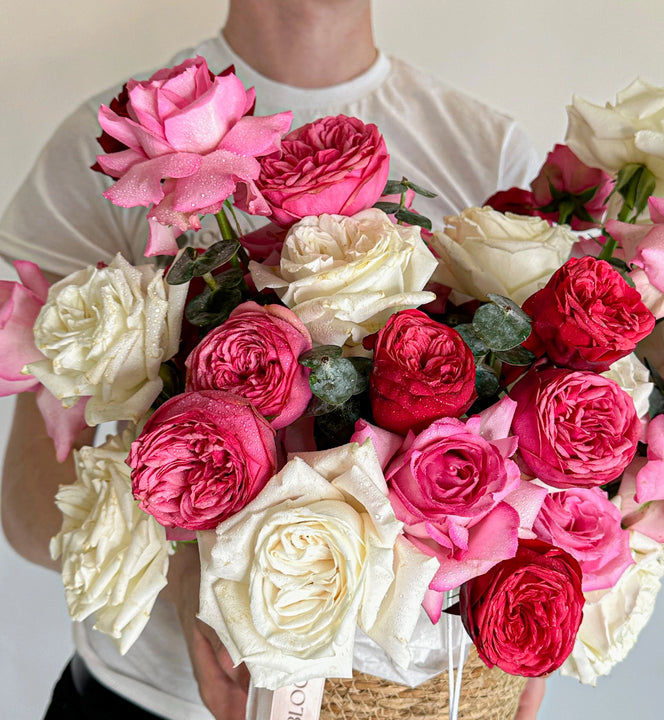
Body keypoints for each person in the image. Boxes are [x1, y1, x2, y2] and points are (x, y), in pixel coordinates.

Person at [0, 1, 543, 719]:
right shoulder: (107, 138)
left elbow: (543, 470)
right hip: (147, 703)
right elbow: (31, 514)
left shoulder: (489, 152)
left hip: (408, 703)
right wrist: (193, 565)